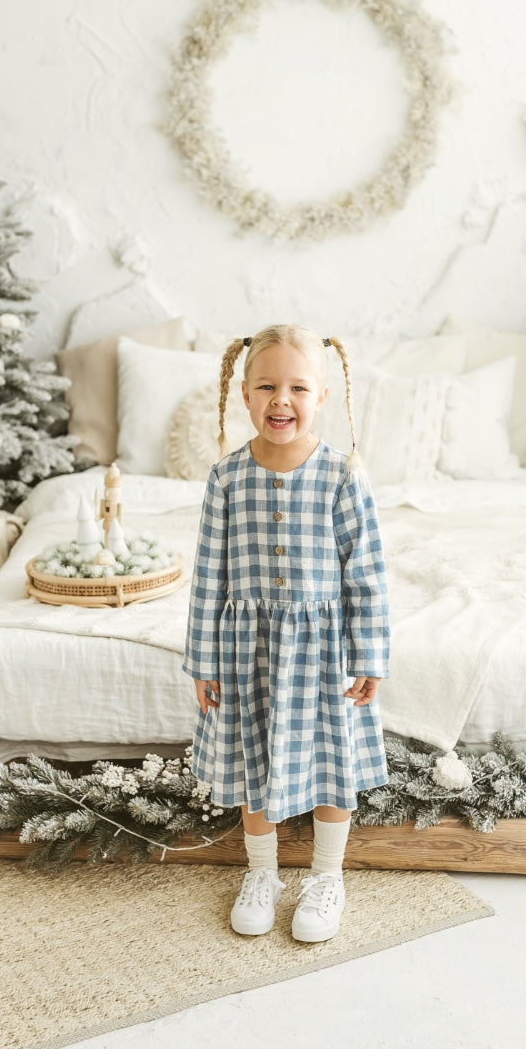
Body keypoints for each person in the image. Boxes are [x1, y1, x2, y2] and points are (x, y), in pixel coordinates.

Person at [182, 324, 390, 942]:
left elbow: (369, 574)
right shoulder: (225, 478)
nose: (281, 400)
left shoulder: (342, 475)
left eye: (298, 387)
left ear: (321, 396)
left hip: (322, 651)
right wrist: (203, 662)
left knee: (332, 761)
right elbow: (207, 576)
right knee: (252, 758)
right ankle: (263, 873)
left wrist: (369, 656)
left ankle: (327, 877)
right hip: (248, 651)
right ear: (244, 394)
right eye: (267, 385)